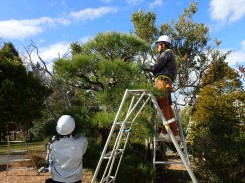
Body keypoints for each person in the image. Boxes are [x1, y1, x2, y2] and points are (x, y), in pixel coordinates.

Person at [142, 35, 181, 141]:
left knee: (163, 107)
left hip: (162, 83)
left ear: (163, 45)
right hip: (166, 82)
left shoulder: (166, 53)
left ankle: (165, 132)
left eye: (158, 45)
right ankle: (175, 133)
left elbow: (156, 67)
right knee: (167, 107)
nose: (157, 48)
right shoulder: (170, 54)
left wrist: (146, 67)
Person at [46, 115, 88, 183]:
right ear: (74, 128)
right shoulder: (81, 142)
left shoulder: (53, 145)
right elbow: (83, 137)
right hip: (75, 180)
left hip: (57, 179)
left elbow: (52, 160)